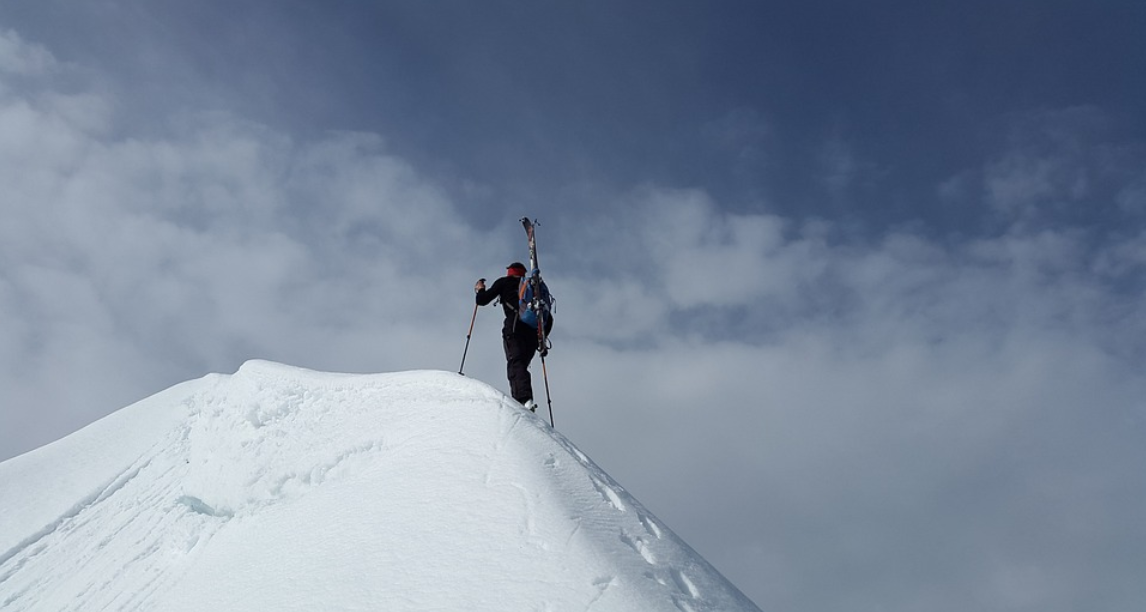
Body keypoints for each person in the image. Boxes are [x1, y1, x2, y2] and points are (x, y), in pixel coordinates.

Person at [475, 263, 539, 411]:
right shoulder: (532, 288)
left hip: (514, 327)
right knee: (521, 364)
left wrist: (480, 289)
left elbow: (482, 300)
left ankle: (523, 401)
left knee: (515, 362)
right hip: (532, 333)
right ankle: (524, 399)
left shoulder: (504, 282)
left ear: (510, 272)